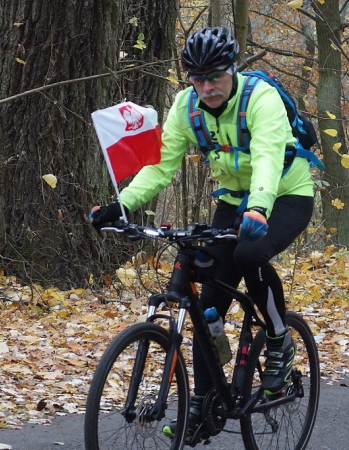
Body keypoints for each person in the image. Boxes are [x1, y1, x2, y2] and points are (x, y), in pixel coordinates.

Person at [90, 26, 314, 438]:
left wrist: (260, 208)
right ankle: (202, 409)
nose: (207, 87)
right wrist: (121, 205)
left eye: (215, 77)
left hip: (285, 192)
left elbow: (266, 157)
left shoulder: (259, 100)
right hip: (233, 199)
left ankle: (280, 340)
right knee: (206, 305)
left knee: (249, 255)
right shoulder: (185, 107)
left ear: (232, 69)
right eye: (198, 78)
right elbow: (160, 166)